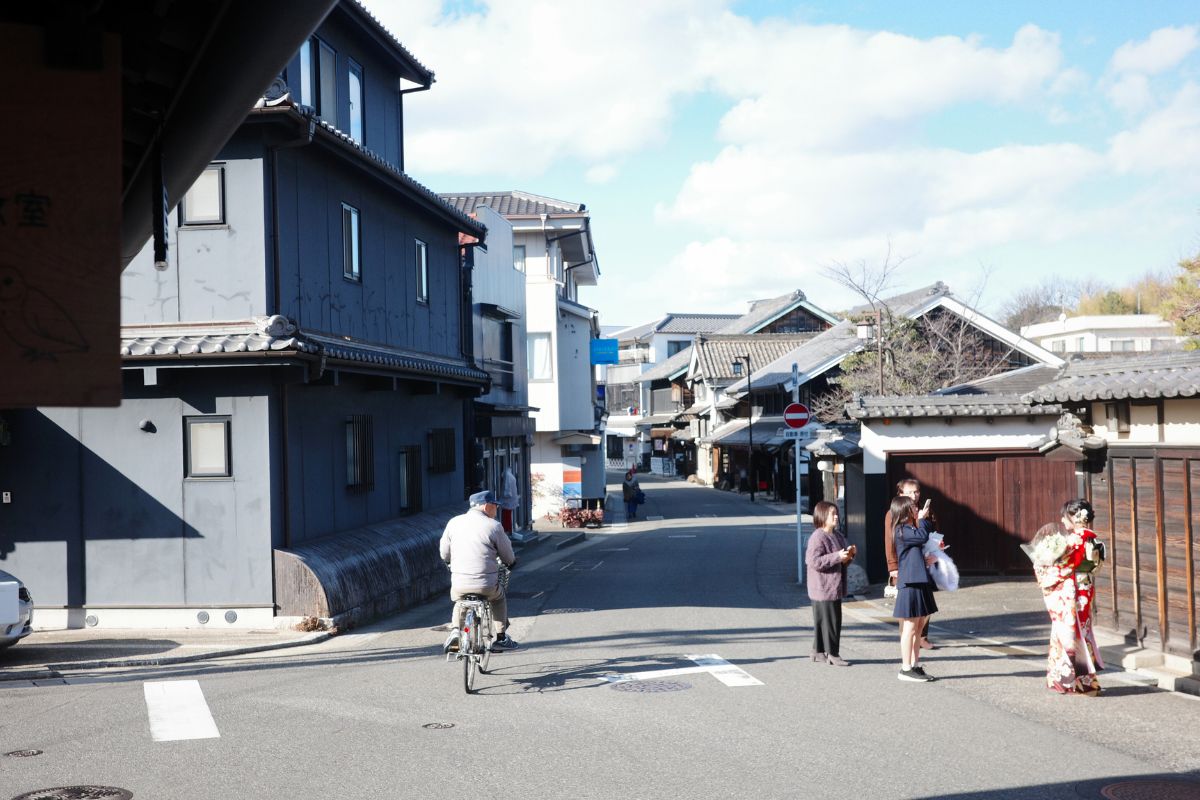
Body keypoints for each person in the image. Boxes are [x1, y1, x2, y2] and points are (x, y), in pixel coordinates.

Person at [1030, 499, 1105, 695]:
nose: (1062, 522)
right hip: (1083, 589)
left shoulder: (1075, 540)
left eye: (1064, 517)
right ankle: (1071, 680)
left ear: (1074, 517)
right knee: (1078, 632)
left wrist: (1041, 563)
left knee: (1071, 633)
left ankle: (1078, 681)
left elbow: (1063, 566)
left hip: (1072, 593)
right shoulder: (1091, 538)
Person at [439, 489, 519, 653]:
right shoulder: (494, 526)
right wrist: (510, 563)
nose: (496, 510)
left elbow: (444, 553)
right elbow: (508, 556)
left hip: (460, 582)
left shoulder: (453, 522)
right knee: (498, 597)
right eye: (495, 506)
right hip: (486, 584)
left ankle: (455, 632)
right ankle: (502, 637)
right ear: (486, 506)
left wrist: (449, 562)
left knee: (460, 601)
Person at [884, 479, 937, 649]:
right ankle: (907, 644)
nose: (913, 496)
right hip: (905, 567)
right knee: (907, 613)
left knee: (925, 606)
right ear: (900, 494)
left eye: (916, 492)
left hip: (922, 564)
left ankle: (922, 637)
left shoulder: (922, 511)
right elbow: (889, 541)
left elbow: (930, 535)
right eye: (909, 493)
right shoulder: (894, 514)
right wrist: (893, 566)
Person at [891, 495, 939, 682]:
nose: (916, 508)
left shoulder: (911, 528)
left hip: (919, 580)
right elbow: (922, 536)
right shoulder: (902, 529)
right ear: (904, 510)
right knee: (910, 627)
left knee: (919, 626)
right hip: (910, 582)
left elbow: (917, 547)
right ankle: (905, 668)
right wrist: (922, 519)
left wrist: (927, 558)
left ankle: (915, 665)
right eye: (912, 506)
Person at [806, 500, 855, 666]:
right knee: (832, 621)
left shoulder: (838, 535)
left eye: (836, 513)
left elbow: (840, 560)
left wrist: (847, 556)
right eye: (832, 514)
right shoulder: (818, 536)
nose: (836, 517)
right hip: (823, 586)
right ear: (822, 516)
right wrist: (837, 557)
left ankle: (818, 651)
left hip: (829, 586)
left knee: (822, 620)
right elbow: (813, 561)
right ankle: (833, 654)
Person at [499, 466, 520, 535]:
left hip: (507, 500)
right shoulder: (510, 475)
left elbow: (506, 487)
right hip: (510, 500)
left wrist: (504, 496)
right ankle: (508, 529)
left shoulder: (507, 476)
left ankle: (507, 530)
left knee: (506, 515)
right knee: (508, 515)